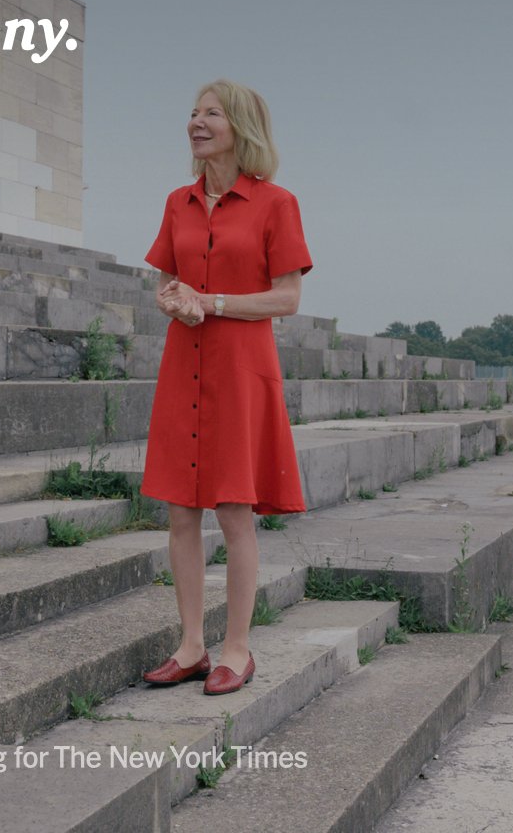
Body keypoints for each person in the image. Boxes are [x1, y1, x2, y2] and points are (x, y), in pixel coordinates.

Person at [140, 80, 312, 696]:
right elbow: (164, 282)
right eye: (192, 113)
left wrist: (210, 302)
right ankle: (191, 644)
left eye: (210, 113)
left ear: (241, 126)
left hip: (240, 368)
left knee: (234, 511)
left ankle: (237, 648)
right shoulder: (177, 202)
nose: (196, 121)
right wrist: (175, 300)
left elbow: (288, 297)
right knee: (181, 510)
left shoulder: (276, 203)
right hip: (183, 364)